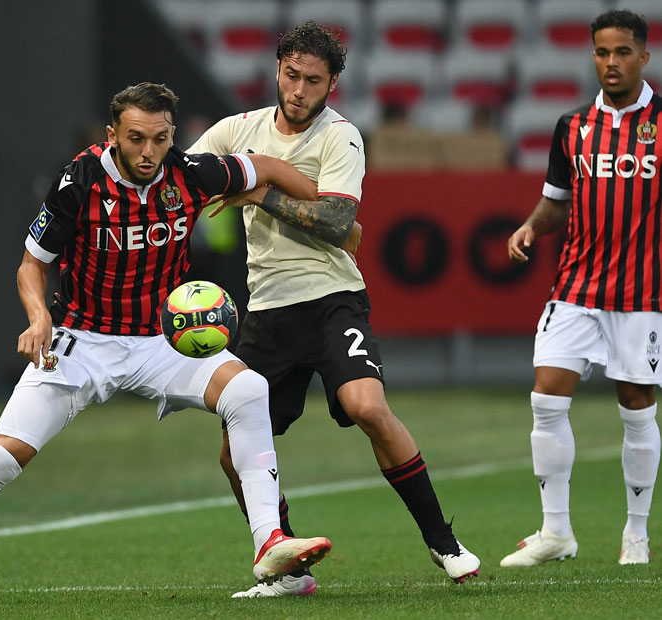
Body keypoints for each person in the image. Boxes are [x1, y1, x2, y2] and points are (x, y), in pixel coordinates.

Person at [0, 82, 333, 607]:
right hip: (82, 340)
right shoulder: (79, 182)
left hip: (161, 341)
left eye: (160, 139)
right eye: (137, 138)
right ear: (113, 135)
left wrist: (333, 210)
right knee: (2, 459)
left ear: (172, 136)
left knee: (249, 390)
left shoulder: (191, 173)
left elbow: (271, 168)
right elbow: (32, 264)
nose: (149, 152)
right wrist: (37, 319)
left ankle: (270, 546)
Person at [188, 22, 480, 597]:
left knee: (366, 404)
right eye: (291, 75)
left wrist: (259, 189)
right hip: (267, 311)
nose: (298, 90)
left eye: (312, 80)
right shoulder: (238, 129)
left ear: (333, 84)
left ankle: (443, 541)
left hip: (330, 299)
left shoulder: (340, 137)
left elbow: (339, 224)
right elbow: (182, 175)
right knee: (232, 451)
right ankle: (288, 566)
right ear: (277, 71)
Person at [502, 9, 660, 568]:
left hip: (643, 295)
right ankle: (556, 533)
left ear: (644, 55)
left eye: (621, 52)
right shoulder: (572, 126)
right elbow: (556, 201)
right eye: (601, 52)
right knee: (546, 397)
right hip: (575, 286)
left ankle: (635, 535)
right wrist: (529, 224)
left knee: (636, 408)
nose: (610, 62)